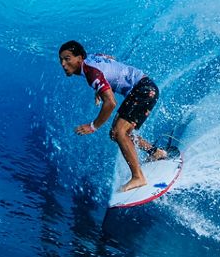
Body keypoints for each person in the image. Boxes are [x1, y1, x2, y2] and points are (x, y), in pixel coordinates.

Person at [58, 40, 166, 192]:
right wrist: (101, 88)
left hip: (143, 90)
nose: (63, 64)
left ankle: (138, 177)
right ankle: (156, 153)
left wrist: (93, 126)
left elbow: (110, 103)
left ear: (80, 58)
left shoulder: (91, 73)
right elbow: (110, 59)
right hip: (144, 87)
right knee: (117, 134)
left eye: (67, 58)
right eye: (61, 60)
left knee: (120, 132)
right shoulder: (91, 58)